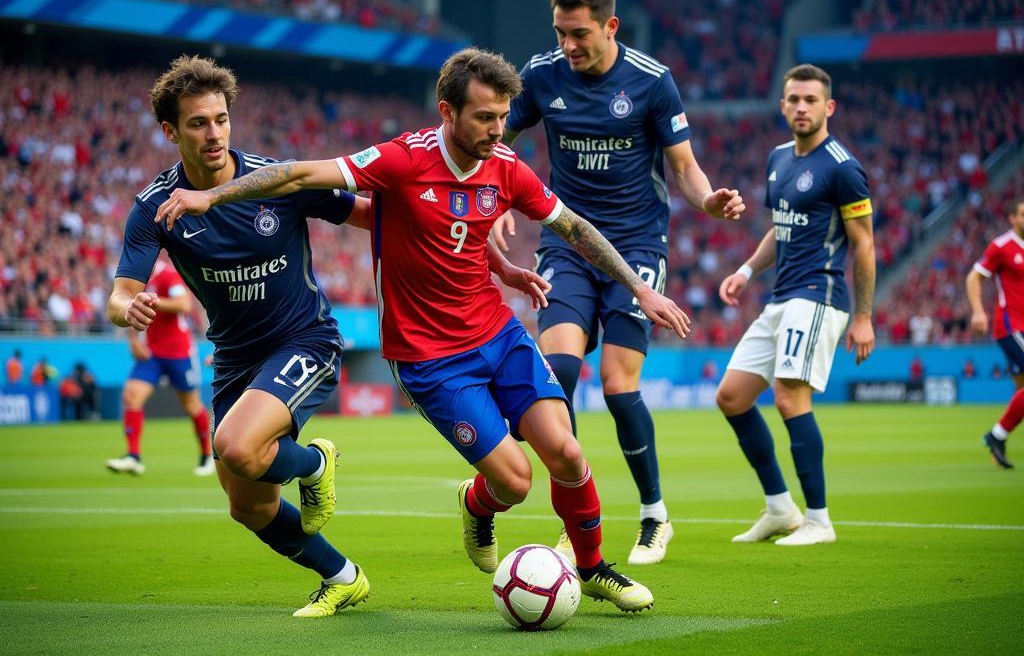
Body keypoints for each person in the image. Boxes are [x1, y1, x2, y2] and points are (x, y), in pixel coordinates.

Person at [154, 48, 694, 612]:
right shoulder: (400, 160)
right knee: (515, 483)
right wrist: (211, 195)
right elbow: (300, 175)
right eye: (484, 116)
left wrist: (639, 287)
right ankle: (479, 504)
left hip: (497, 332)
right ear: (447, 112)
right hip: (429, 358)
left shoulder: (507, 167)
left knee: (564, 450)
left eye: (504, 115)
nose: (497, 129)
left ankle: (591, 568)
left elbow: (572, 227)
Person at [492, 0, 743, 566]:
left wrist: (707, 200)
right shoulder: (541, 74)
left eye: (579, 33)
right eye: (560, 33)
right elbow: (498, 138)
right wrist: (493, 197)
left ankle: (655, 515)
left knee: (618, 383)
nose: (568, 46)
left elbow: (683, 169)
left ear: (611, 26)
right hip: (565, 247)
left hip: (635, 248)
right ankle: (576, 519)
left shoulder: (654, 83)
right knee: (555, 377)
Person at [108, 54, 373, 618]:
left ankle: (315, 465)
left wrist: (460, 216)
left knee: (235, 447)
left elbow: (367, 214)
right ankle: (343, 577)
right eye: (199, 123)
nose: (214, 134)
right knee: (248, 505)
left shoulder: (275, 180)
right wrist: (127, 308)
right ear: (170, 131)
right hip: (234, 358)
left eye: (221, 119)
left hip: (305, 340)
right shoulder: (155, 206)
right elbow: (120, 292)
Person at [714, 64, 875, 546]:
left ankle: (819, 520)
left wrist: (864, 316)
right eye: (793, 99)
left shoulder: (843, 167)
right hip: (780, 296)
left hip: (820, 294)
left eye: (811, 100)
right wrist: (745, 271)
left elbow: (863, 244)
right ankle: (780, 508)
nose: (801, 107)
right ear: (782, 105)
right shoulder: (778, 159)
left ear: (829, 107)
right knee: (732, 397)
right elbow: (780, 228)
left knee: (789, 398)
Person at [106, 253, 215, 476]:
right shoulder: (139, 282)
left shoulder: (167, 275)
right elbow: (132, 311)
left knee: (191, 404)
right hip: (152, 352)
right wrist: (134, 341)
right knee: (131, 396)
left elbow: (184, 304)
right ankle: (133, 456)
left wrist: (154, 301)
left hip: (178, 350)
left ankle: (207, 456)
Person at [966, 195, 1024, 469]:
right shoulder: (1002, 246)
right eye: (1022, 214)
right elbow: (974, 276)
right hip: (1011, 325)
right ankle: (996, 434)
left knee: (1022, 390)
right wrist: (978, 311)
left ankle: (998, 442)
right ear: (1012, 218)